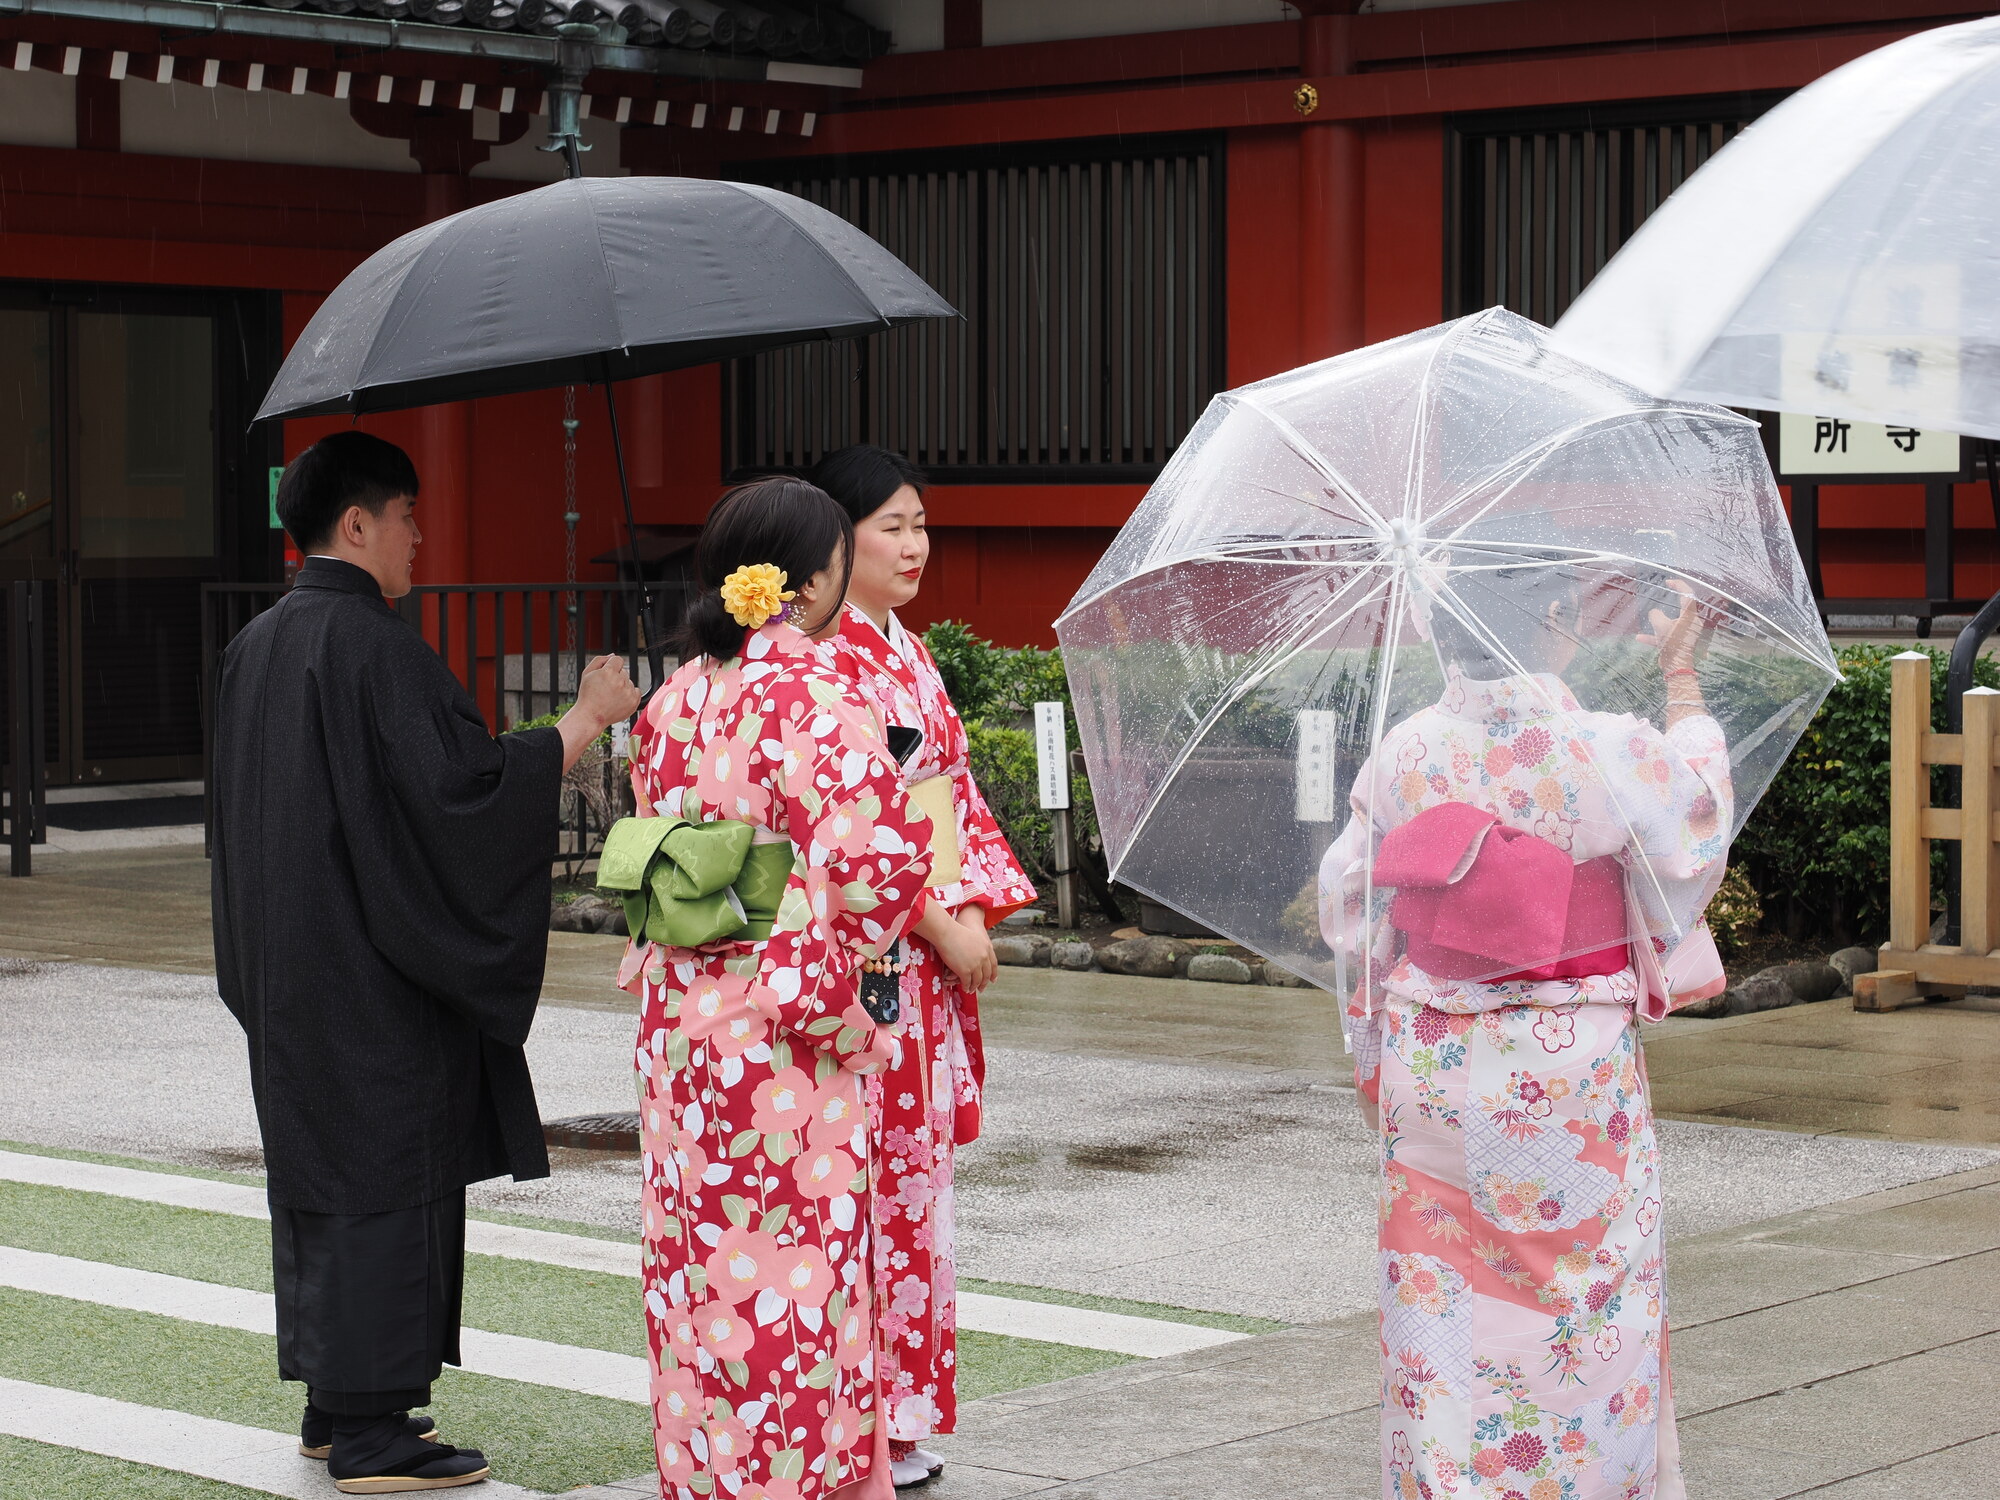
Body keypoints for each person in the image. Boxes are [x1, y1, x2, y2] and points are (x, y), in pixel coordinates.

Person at [211, 430, 641, 1494]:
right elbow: (463, 802)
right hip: (372, 975)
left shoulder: (255, 645)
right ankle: (368, 1436)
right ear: (356, 524)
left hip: (288, 964)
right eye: (407, 518)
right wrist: (586, 719)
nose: (420, 538)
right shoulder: (375, 649)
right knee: (382, 1186)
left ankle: (333, 1405)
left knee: (326, 1181)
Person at [1318, 576, 1729, 1500]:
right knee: (1586, 1296)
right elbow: (1696, 835)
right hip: (1564, 1063)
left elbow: (1347, 899)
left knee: (1437, 1298)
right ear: (1554, 619)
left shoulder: (1404, 751)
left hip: (1433, 1064)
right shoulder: (1604, 748)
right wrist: (1683, 681)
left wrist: (1389, 1011)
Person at [622, 477, 935, 1500]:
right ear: (808, 580)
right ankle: (798, 1478)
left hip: (681, 1026)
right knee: (793, 1270)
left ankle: (708, 1472)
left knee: (700, 1262)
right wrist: (840, 949)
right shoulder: (808, 694)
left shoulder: (673, 700)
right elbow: (879, 861)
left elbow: (666, 838)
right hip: (778, 1033)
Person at [813, 445, 1036, 1489]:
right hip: (872, 958)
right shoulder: (825, 661)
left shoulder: (902, 650)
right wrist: (938, 920)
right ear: (834, 536)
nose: (914, 545)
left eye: (919, 524)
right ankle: (859, 1414)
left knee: (915, 1185)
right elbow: (844, 828)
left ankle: (894, 1414)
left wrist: (967, 908)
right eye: (891, 525)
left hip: (924, 947)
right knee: (872, 1182)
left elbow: (949, 801)